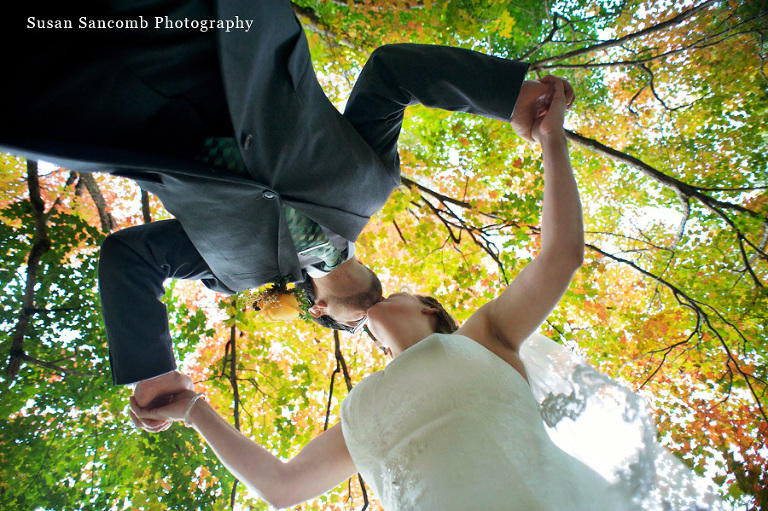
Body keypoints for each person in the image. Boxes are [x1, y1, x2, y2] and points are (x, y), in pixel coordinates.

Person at [2, 0, 575, 431]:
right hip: (211, 30)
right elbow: (392, 74)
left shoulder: (227, 275)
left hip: (80, 99)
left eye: (361, 338)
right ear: (420, 302)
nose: (368, 329)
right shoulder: (376, 178)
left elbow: (129, 258)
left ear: (318, 309)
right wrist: (507, 97)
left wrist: (152, 368)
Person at [128, 77, 640, 510]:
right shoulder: (362, 408)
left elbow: (559, 256)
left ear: (430, 309)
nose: (371, 319)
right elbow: (284, 486)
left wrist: (552, 141)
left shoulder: (487, 341)